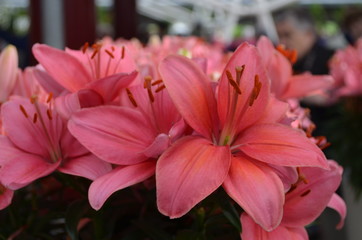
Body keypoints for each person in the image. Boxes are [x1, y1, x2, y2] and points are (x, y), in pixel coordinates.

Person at [274, 8, 334, 75]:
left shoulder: (331, 61)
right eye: (279, 36)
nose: (281, 43)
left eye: (287, 35)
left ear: (308, 34)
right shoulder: (286, 63)